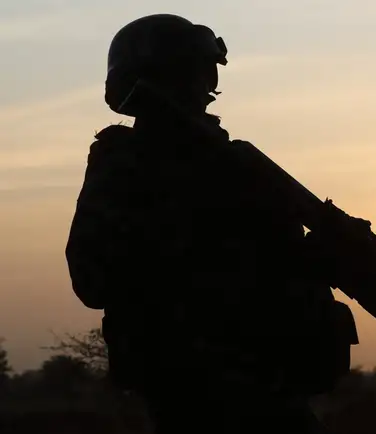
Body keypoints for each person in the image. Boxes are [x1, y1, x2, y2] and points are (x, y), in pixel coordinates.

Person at [65, 14, 357, 433]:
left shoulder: (233, 162)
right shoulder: (128, 165)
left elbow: (266, 256)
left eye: (205, 72)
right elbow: (93, 280)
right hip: (198, 387)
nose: (204, 85)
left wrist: (319, 255)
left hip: (265, 379)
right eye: (192, 71)